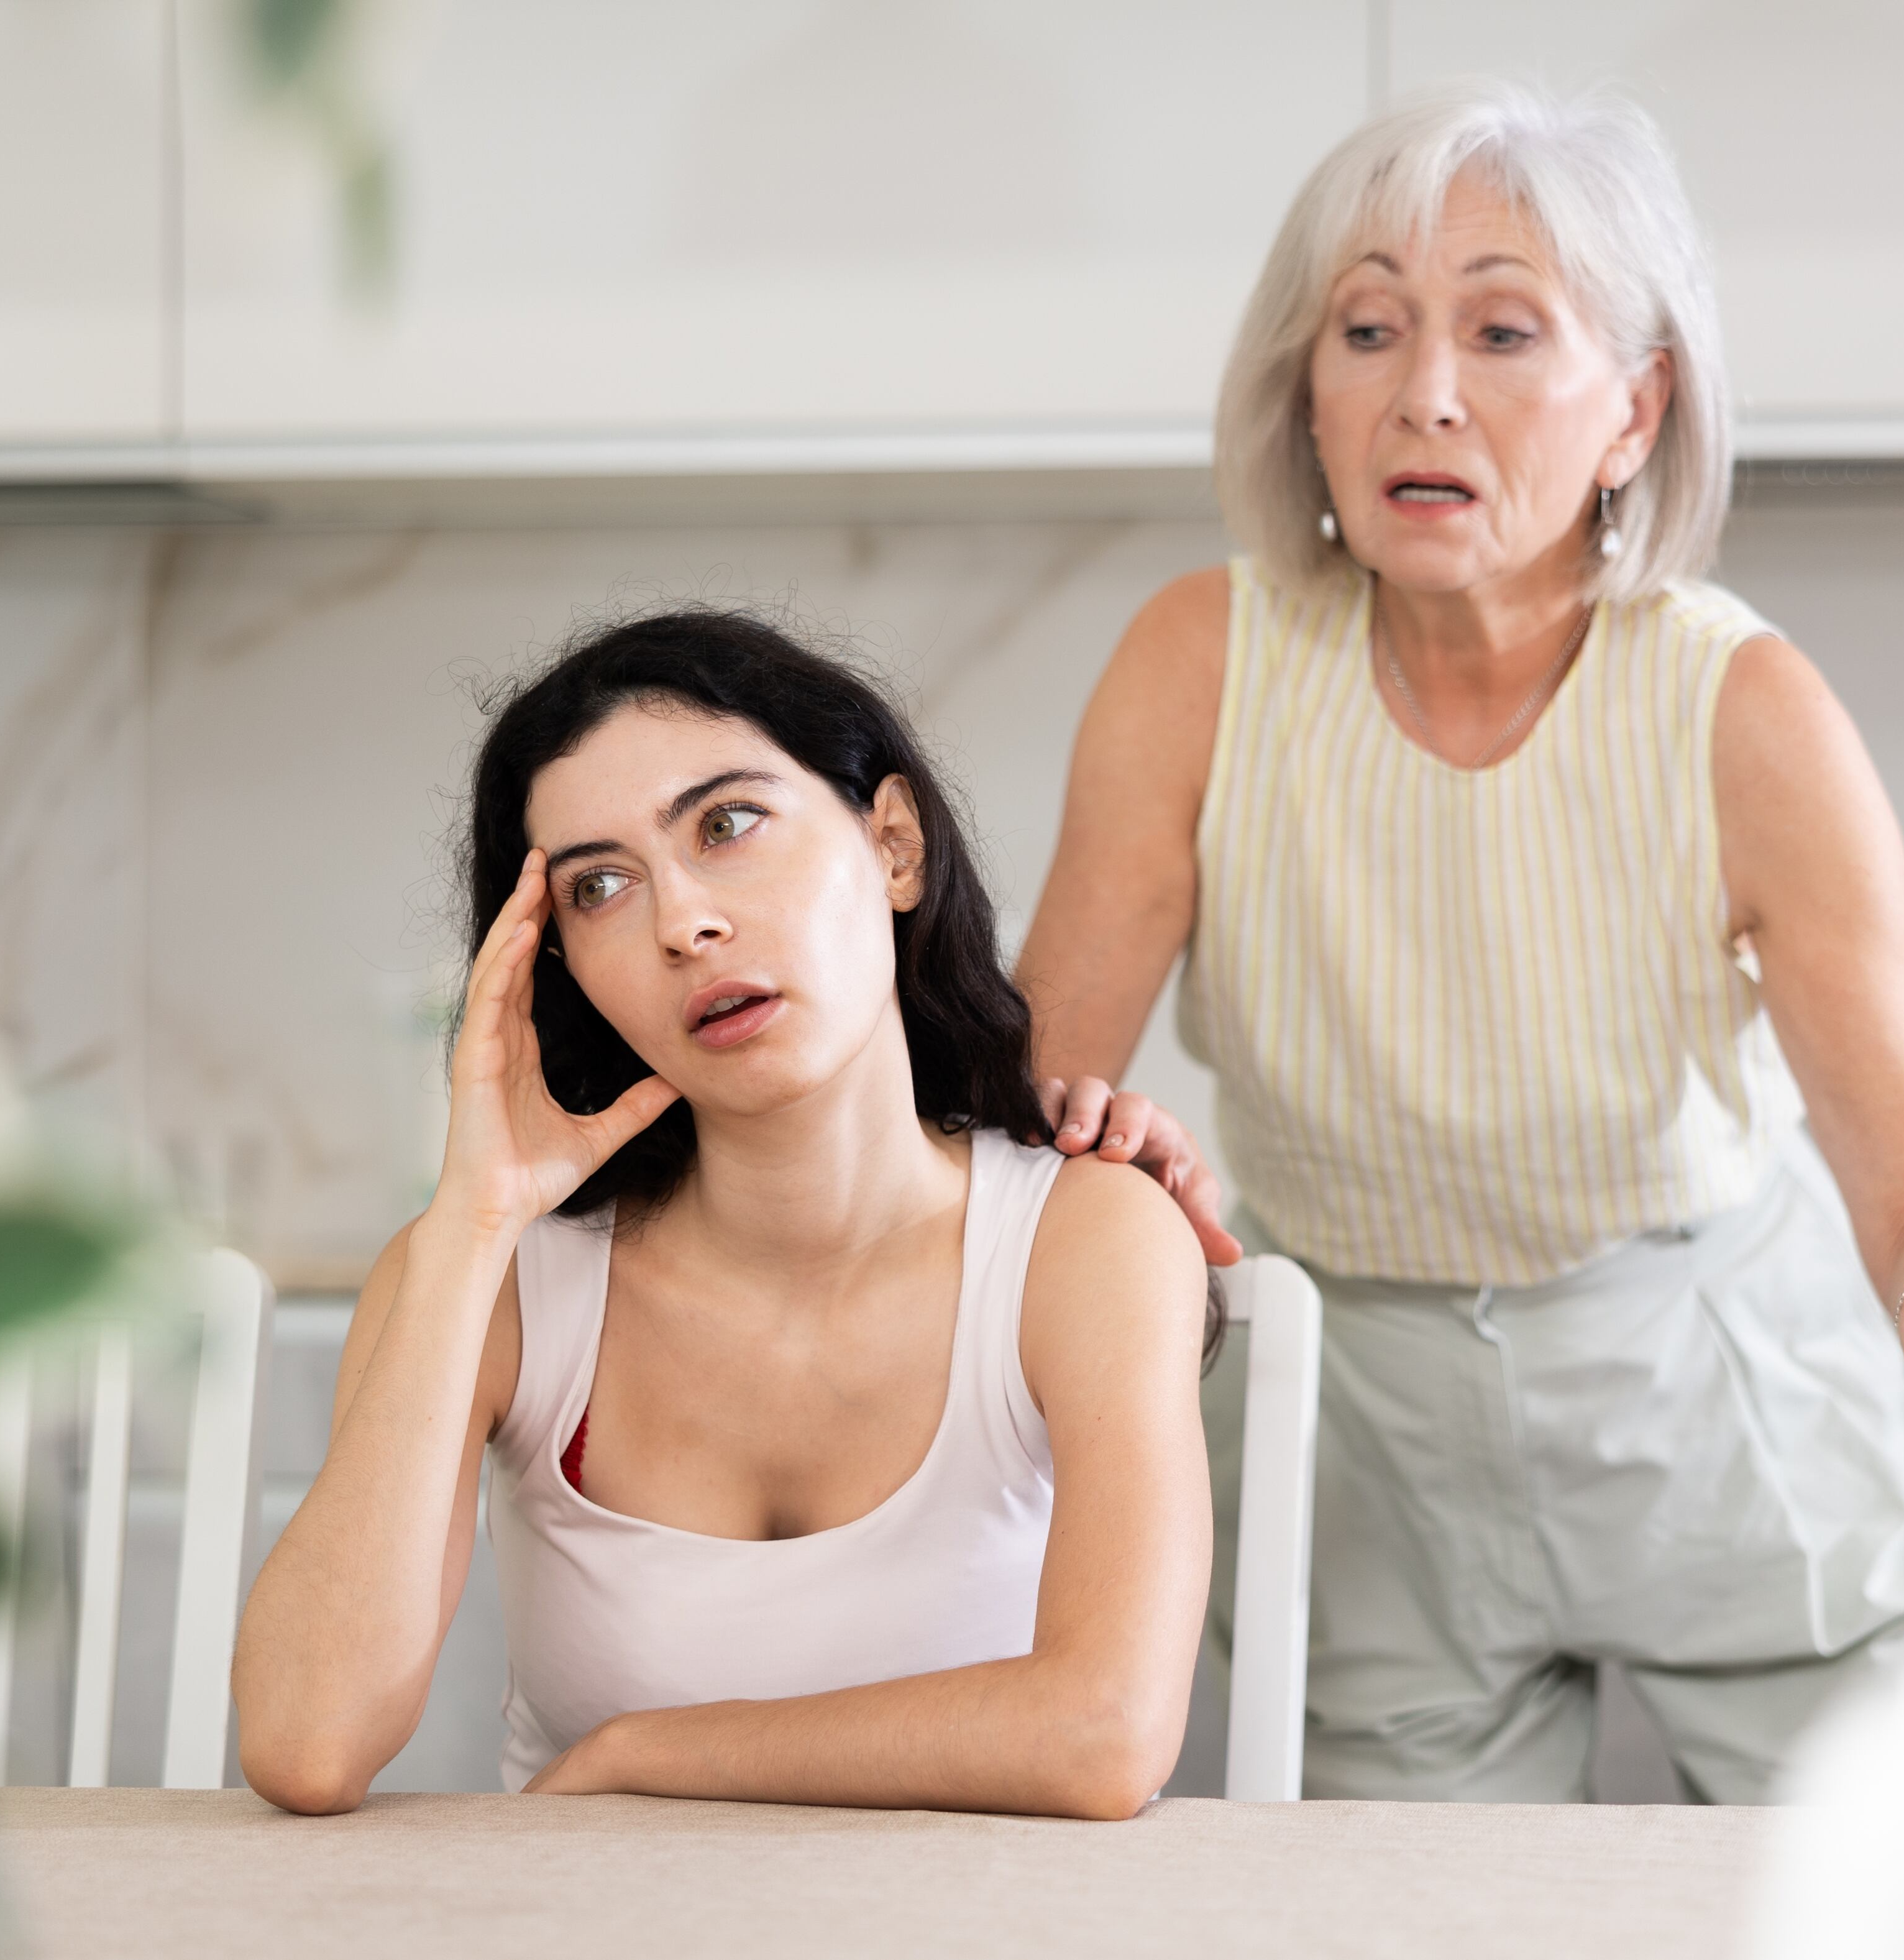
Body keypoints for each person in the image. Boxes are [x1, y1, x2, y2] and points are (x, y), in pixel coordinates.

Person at [1014, 81, 1904, 1804]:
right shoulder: (1200, 665)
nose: (1425, 390)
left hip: (1729, 1407)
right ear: (1305, 387)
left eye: (1505, 331)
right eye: (1368, 328)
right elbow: (1034, 1104)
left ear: (1636, 409)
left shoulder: (1742, 708)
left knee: (1877, 1904)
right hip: (1371, 1442)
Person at [233, 610, 1212, 1819]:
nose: (681, 921)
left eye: (728, 823)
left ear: (892, 842)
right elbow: (304, 1740)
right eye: (599, 886)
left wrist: (650, 1751)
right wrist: (472, 1219)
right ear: (561, 968)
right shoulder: (502, 1278)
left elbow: (1104, 1732)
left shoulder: (1085, 1239)